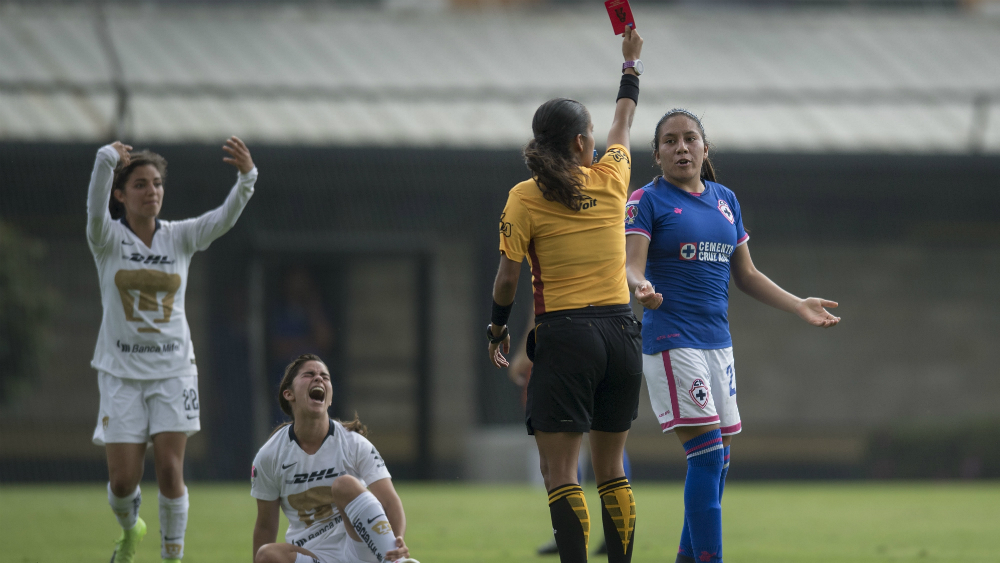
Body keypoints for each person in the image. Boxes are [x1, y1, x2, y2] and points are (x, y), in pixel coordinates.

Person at [624, 109, 841, 563]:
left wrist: (798, 303)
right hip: (672, 339)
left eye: (690, 139)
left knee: (720, 460)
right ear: (658, 153)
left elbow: (746, 274)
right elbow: (629, 262)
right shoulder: (647, 199)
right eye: (670, 141)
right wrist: (639, 285)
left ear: (705, 148)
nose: (681, 147)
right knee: (705, 455)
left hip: (717, 343)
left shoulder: (726, 199)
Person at [487, 26, 644, 563]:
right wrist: (630, 65)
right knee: (612, 471)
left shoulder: (523, 197)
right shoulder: (612, 178)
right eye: (591, 133)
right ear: (580, 143)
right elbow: (625, 118)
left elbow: (508, 279)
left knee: (560, 471)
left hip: (567, 338)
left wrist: (497, 327)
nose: (598, 138)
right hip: (623, 336)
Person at [87, 137, 257, 563]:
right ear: (120, 195)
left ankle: (171, 557)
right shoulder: (106, 239)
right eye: (141, 184)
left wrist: (247, 179)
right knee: (124, 482)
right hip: (121, 374)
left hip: (173, 371)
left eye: (157, 184)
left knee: (169, 468)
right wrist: (106, 158)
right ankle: (131, 529)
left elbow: (222, 219)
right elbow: (93, 207)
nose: (152, 192)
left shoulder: (179, 237)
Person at [251, 354, 418, 563]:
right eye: (309, 374)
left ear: (329, 399)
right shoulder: (269, 456)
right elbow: (265, 526)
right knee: (266, 555)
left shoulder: (354, 443)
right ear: (289, 394)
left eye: (325, 376)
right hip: (313, 556)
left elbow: (389, 501)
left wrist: (397, 541)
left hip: (360, 551)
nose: (319, 379)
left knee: (345, 484)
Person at [506, 317, 633, 557]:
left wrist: (521, 348)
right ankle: (610, 533)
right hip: (620, 336)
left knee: (560, 466)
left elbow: (535, 301)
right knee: (612, 458)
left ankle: (570, 534)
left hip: (568, 336)